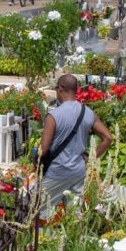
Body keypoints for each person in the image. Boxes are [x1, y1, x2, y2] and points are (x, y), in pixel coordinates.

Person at [38, 74, 113, 211]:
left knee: (40, 212)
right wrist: (91, 158)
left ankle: (44, 232)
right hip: (78, 172)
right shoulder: (88, 112)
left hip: (57, 172)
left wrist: (35, 160)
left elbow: (44, 149)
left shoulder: (54, 116)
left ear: (61, 88)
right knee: (75, 214)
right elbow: (108, 138)